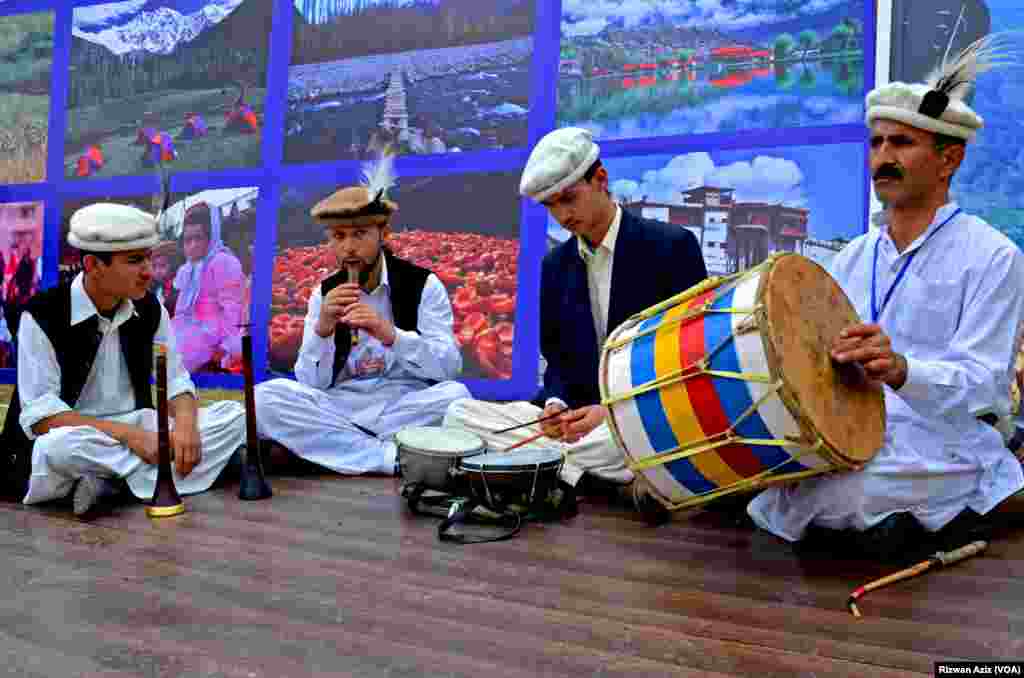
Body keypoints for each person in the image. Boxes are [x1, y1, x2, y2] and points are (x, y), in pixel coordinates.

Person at [746, 37, 1024, 560]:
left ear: (949, 160)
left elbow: (985, 385)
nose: (883, 158)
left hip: (944, 441)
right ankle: (897, 525)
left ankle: (935, 512)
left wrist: (901, 370)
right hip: (852, 434)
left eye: (901, 144)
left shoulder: (994, 256)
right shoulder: (851, 256)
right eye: (876, 144)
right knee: (778, 482)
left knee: (852, 490)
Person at [444, 127, 708, 501]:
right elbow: (558, 363)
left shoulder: (671, 247)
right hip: (579, 421)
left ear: (601, 179)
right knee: (458, 413)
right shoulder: (555, 265)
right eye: (551, 205)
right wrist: (556, 405)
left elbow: (688, 361)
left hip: (645, 413)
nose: (562, 215)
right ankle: (589, 478)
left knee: (651, 434)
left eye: (569, 198)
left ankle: (553, 469)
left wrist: (610, 413)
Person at [0, 202, 248, 516]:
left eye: (148, 257)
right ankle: (193, 470)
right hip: (84, 434)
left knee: (233, 416)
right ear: (92, 265)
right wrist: (130, 437)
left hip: (139, 430)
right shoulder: (43, 314)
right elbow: (43, 416)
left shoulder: (150, 309)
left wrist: (186, 426)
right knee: (57, 448)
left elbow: (175, 378)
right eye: (134, 261)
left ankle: (108, 483)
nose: (148, 270)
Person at [254, 154, 470, 475]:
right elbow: (312, 383)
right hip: (341, 406)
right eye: (339, 237)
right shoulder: (323, 293)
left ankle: (336, 449)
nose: (349, 248)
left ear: (384, 234)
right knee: (264, 399)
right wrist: (323, 330)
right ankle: (387, 455)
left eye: (359, 234)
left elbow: (449, 368)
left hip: (403, 404)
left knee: (456, 398)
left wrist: (389, 333)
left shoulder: (423, 284)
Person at [171, 201, 247, 372]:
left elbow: (232, 310)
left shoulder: (223, 261)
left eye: (198, 238)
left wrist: (225, 347)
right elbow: (182, 310)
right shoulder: (189, 268)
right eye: (187, 240)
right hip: (193, 330)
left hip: (217, 336)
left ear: (212, 236)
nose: (192, 245)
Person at [150, 239, 179, 315]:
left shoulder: (177, 286)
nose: (158, 271)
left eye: (162, 266)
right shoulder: (155, 289)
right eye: (154, 267)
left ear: (172, 266)